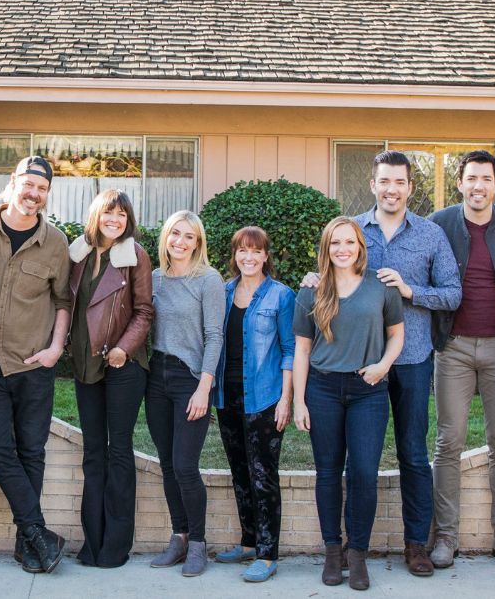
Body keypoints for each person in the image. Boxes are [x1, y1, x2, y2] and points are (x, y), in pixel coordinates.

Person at [306, 151, 460, 575]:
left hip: (410, 360)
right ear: (373, 185)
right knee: (358, 461)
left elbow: (453, 293)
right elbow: (331, 273)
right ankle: (352, 550)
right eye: (384, 181)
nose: (391, 189)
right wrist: (311, 279)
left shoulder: (429, 235)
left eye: (400, 182)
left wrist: (411, 291)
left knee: (412, 452)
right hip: (360, 368)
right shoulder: (353, 231)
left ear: (411, 187)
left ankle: (415, 544)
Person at [0, 156, 72, 574]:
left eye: (41, 189)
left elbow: (63, 300)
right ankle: (38, 531)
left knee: (32, 451)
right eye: (28, 184)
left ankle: (29, 545)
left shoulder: (56, 243)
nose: (33, 194)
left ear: (46, 195)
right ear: (12, 185)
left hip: (34, 364)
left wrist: (55, 348)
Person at [293, 216, 404, 591]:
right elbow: (302, 350)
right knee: (327, 473)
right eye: (335, 243)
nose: (343, 249)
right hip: (322, 391)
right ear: (326, 248)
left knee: (363, 474)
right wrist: (298, 402)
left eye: (350, 242)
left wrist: (383, 366)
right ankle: (331, 551)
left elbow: (397, 336)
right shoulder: (311, 291)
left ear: (360, 246)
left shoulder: (381, 287)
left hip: (368, 390)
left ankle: (357, 553)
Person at [427, 151, 495, 570]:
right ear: (460, 183)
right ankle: (445, 535)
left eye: (486, 178)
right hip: (454, 347)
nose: (478, 185)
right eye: (471, 178)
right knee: (449, 441)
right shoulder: (440, 224)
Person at [67, 189, 154, 569]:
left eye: (121, 214)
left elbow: (145, 312)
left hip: (123, 367)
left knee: (118, 451)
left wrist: (125, 347)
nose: (114, 220)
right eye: (108, 213)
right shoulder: (78, 255)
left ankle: (116, 546)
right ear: (96, 215)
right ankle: (93, 542)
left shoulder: (134, 255)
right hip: (86, 364)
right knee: (92, 453)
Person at [211, 226, 295, 583]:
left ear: (265, 256)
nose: (248, 257)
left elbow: (291, 349)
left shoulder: (281, 296)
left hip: (264, 396)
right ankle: (247, 542)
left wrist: (286, 400)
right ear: (235, 255)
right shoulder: (224, 292)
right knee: (240, 471)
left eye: (255, 251)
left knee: (263, 475)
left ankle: (267, 553)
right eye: (242, 251)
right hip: (227, 396)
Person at [145, 210, 224, 578]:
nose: (180, 241)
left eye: (189, 237)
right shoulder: (154, 279)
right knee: (166, 464)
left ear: (198, 243)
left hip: (189, 378)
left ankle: (198, 544)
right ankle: (179, 536)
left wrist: (204, 387)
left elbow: (215, 336)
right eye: (175, 234)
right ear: (166, 237)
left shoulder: (208, 280)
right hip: (155, 377)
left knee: (185, 466)